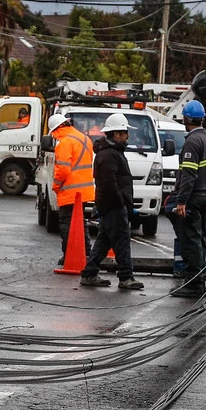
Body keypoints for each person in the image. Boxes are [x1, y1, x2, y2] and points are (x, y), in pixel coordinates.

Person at [79, 113, 144, 290]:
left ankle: (90, 273)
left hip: (110, 206)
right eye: (125, 132)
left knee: (104, 241)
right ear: (116, 134)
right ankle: (126, 277)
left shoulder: (110, 153)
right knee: (122, 240)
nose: (127, 136)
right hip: (114, 206)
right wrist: (121, 203)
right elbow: (110, 184)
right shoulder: (109, 155)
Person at [170, 99, 206, 298]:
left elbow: (188, 174)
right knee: (199, 238)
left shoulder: (192, 141)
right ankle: (197, 280)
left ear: (187, 118)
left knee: (190, 240)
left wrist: (181, 201)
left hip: (193, 197)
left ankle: (193, 283)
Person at [48, 112, 95, 264]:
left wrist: (55, 186)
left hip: (70, 191)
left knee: (67, 224)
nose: (54, 137)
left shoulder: (65, 143)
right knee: (81, 224)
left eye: (53, 134)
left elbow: (62, 170)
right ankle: (86, 252)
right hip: (84, 191)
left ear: (56, 130)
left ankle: (69, 254)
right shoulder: (84, 138)